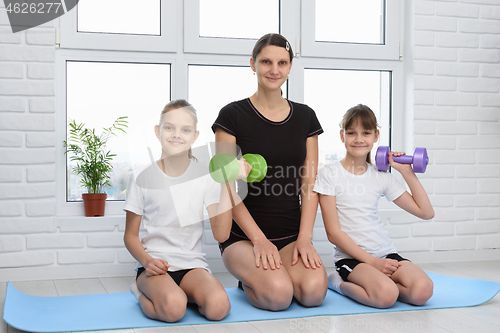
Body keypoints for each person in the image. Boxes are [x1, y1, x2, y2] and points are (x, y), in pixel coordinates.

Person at [212, 33, 328, 311]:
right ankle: (253, 280)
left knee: (313, 294)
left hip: (290, 234)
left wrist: (305, 238)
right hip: (243, 237)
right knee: (278, 297)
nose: (274, 70)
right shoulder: (231, 115)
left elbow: (309, 182)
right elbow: (228, 185)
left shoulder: (305, 117)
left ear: (289, 67)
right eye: (266, 62)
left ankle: (278, 273)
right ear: (253, 64)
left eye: (282, 63)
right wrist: (259, 240)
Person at [124, 99, 250, 322]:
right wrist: (146, 261)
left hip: (192, 266)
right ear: (157, 131)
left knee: (219, 308)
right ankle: (139, 290)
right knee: (174, 310)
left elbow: (221, 234)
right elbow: (130, 236)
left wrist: (228, 181)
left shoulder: (206, 177)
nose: (176, 134)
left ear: (195, 136)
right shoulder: (140, 177)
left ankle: (182, 295)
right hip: (154, 266)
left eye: (185, 129)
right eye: (169, 127)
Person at [314, 104, 435, 309]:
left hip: (386, 253)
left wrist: (406, 171)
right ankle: (338, 282)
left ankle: (382, 284)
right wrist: (372, 262)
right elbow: (333, 233)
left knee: (423, 291)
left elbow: (426, 212)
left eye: (366, 133)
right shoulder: (329, 174)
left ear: (376, 135)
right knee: (386, 296)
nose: (359, 139)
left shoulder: (381, 176)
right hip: (352, 259)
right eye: (351, 133)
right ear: (342, 136)